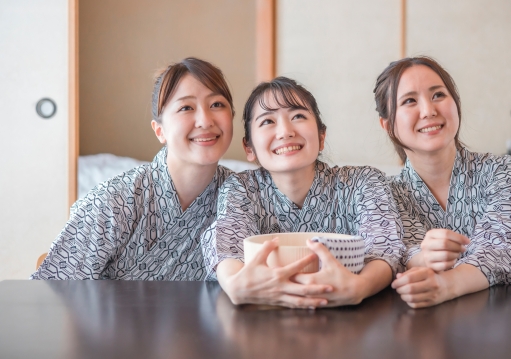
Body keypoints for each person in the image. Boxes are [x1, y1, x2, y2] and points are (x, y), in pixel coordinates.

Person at [201, 77, 404, 308]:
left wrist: (360, 287)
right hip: (265, 318)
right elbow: (228, 245)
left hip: (350, 316)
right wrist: (235, 285)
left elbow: (384, 248)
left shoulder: (363, 181)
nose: (285, 132)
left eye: (298, 116)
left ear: (321, 137)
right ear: (249, 148)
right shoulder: (241, 189)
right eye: (267, 121)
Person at [31, 58, 235, 280]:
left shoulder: (244, 196)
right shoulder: (112, 202)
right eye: (186, 107)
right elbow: (52, 292)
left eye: (217, 104)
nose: (205, 121)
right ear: (160, 131)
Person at [373, 56, 511, 308]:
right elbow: (388, 253)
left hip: (504, 325)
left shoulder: (504, 171)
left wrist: (447, 284)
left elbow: (504, 249)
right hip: (417, 332)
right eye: (409, 101)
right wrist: (418, 258)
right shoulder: (384, 194)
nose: (429, 111)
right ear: (387, 126)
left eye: (438, 95)